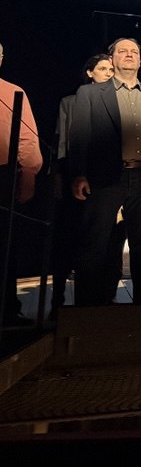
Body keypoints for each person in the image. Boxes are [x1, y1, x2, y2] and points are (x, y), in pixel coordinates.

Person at [68, 37, 141, 305]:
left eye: (134, 51)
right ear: (111, 58)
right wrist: (78, 174)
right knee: (95, 243)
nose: (129, 55)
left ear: (140, 60)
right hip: (104, 178)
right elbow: (79, 136)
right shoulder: (90, 94)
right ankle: (87, 309)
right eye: (122, 51)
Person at [50, 53, 113, 314]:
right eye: (102, 69)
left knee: (103, 242)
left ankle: (100, 299)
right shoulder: (71, 102)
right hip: (74, 180)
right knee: (69, 238)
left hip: (107, 183)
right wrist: (69, 176)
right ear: (90, 73)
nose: (109, 73)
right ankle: (58, 300)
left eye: (111, 69)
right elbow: (63, 144)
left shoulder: (116, 103)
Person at [0, 41, 44, 323]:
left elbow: (27, 140)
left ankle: (6, 310)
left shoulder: (13, 92)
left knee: (4, 246)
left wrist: (28, 176)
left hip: (2, 176)